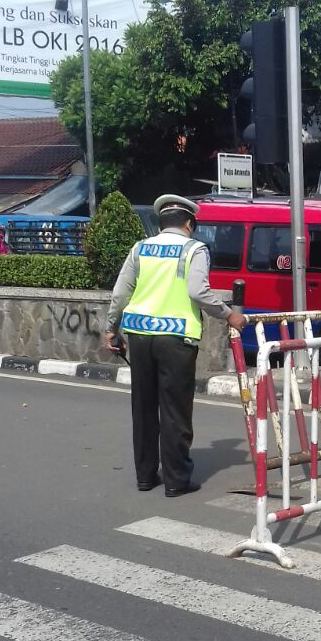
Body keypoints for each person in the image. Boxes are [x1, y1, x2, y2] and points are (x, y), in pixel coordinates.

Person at [105, 194, 244, 496]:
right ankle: (176, 480)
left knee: (143, 408)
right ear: (190, 223)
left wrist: (111, 328)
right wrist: (228, 314)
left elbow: (120, 292)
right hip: (176, 339)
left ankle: (145, 476)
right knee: (175, 410)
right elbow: (198, 291)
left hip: (139, 336)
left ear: (161, 223)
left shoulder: (140, 248)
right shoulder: (195, 249)